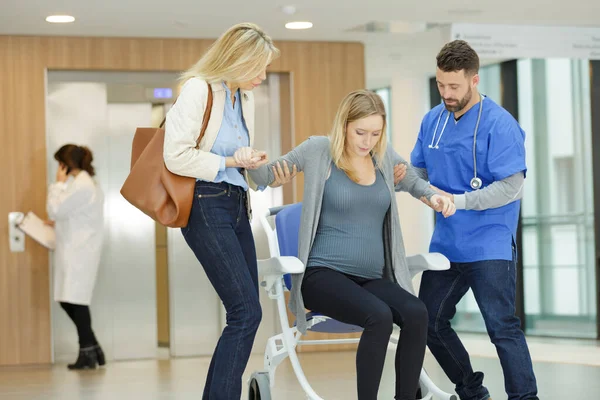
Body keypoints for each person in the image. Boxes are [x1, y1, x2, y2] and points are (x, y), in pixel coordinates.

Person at [249, 90, 456, 400]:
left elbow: (413, 181)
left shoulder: (384, 158)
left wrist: (436, 198)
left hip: (371, 277)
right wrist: (254, 163)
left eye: (375, 133)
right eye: (360, 132)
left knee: (416, 312)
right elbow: (266, 176)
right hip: (324, 275)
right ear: (344, 124)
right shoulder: (318, 151)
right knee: (379, 316)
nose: (367, 140)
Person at [163, 22, 288, 400]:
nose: (262, 77)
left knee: (247, 313)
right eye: (258, 67)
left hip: (236, 205)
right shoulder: (199, 90)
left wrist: (262, 174)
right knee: (246, 311)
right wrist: (232, 159)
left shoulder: (241, 98)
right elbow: (176, 155)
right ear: (235, 60)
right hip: (205, 204)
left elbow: (236, 165)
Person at [408, 40, 537, 400]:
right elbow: (415, 172)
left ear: (474, 80)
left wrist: (459, 201)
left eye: (454, 86)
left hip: (489, 243)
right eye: (440, 85)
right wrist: (425, 193)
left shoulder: (500, 124)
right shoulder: (433, 120)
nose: (446, 94)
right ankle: (471, 390)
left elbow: (512, 187)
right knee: (428, 321)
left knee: (501, 327)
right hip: (447, 245)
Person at [47, 144, 105, 370]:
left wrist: (58, 184)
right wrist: (58, 220)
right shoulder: (84, 183)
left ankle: (88, 352)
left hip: (78, 251)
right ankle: (93, 348)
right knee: (69, 298)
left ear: (65, 164)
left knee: (75, 300)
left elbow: (55, 209)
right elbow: (69, 213)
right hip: (77, 248)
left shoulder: (81, 185)